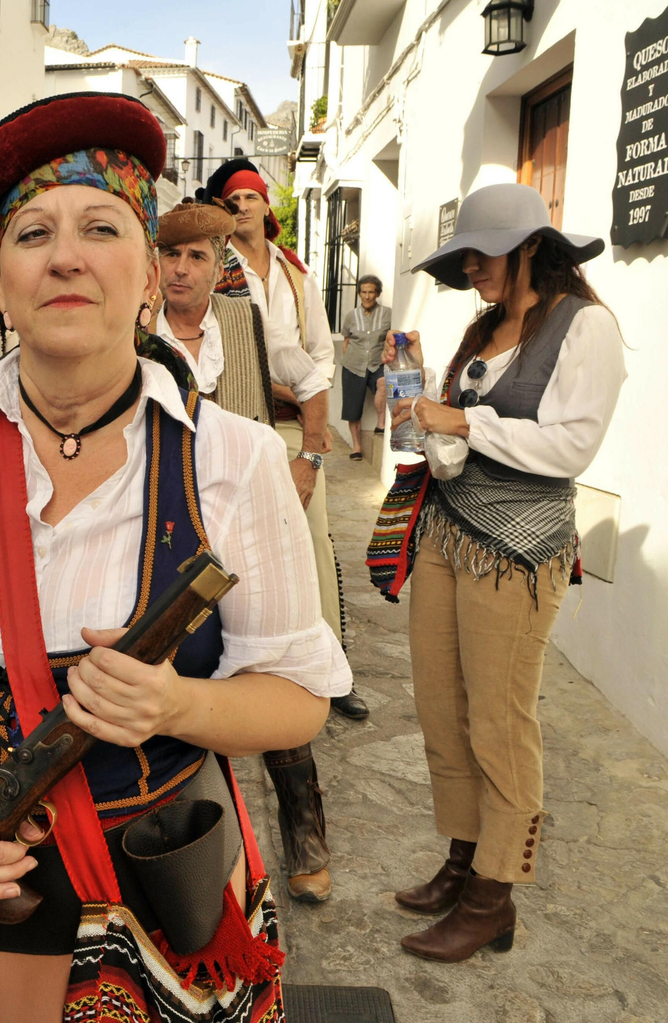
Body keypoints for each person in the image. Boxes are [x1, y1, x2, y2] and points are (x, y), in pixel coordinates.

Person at [0, 91, 351, 1022]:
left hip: (147, 925)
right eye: (33, 233)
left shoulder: (235, 459)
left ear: (148, 273)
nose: (67, 256)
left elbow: (299, 700)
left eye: (102, 226)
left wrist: (178, 703)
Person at [385, 183, 624, 962]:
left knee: (499, 718)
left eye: (481, 254)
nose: (470, 269)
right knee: (442, 708)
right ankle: (462, 861)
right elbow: (457, 437)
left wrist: (464, 419)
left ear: (527, 246)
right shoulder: (484, 326)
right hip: (448, 537)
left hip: (520, 550)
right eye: (464, 257)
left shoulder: (584, 326)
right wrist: (421, 405)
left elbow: (569, 450)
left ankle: (493, 895)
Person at [152, 202, 363, 905]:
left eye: (196, 258)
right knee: (174, 686)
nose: (181, 269)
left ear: (218, 266)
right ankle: (191, 855)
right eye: (170, 256)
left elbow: (309, 377)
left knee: (272, 671)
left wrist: (308, 455)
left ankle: (306, 840)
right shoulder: (129, 332)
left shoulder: (245, 322)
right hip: (162, 534)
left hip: (246, 531)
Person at [207, 160, 351, 716]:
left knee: (312, 537)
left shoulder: (297, 274)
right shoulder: (216, 268)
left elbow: (320, 352)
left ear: (267, 206)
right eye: (232, 198)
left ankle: (331, 666)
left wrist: (306, 412)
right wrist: (273, 386)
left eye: (250, 196)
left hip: (294, 423)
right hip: (239, 415)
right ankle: (248, 664)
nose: (241, 204)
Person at [340, 274, 391, 460]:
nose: (367, 296)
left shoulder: (387, 313)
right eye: (363, 292)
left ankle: (381, 424)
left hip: (377, 363)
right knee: (352, 409)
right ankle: (356, 446)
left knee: (384, 383)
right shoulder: (351, 316)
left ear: (377, 294)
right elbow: (346, 339)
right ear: (359, 294)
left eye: (371, 292)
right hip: (353, 365)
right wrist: (347, 358)